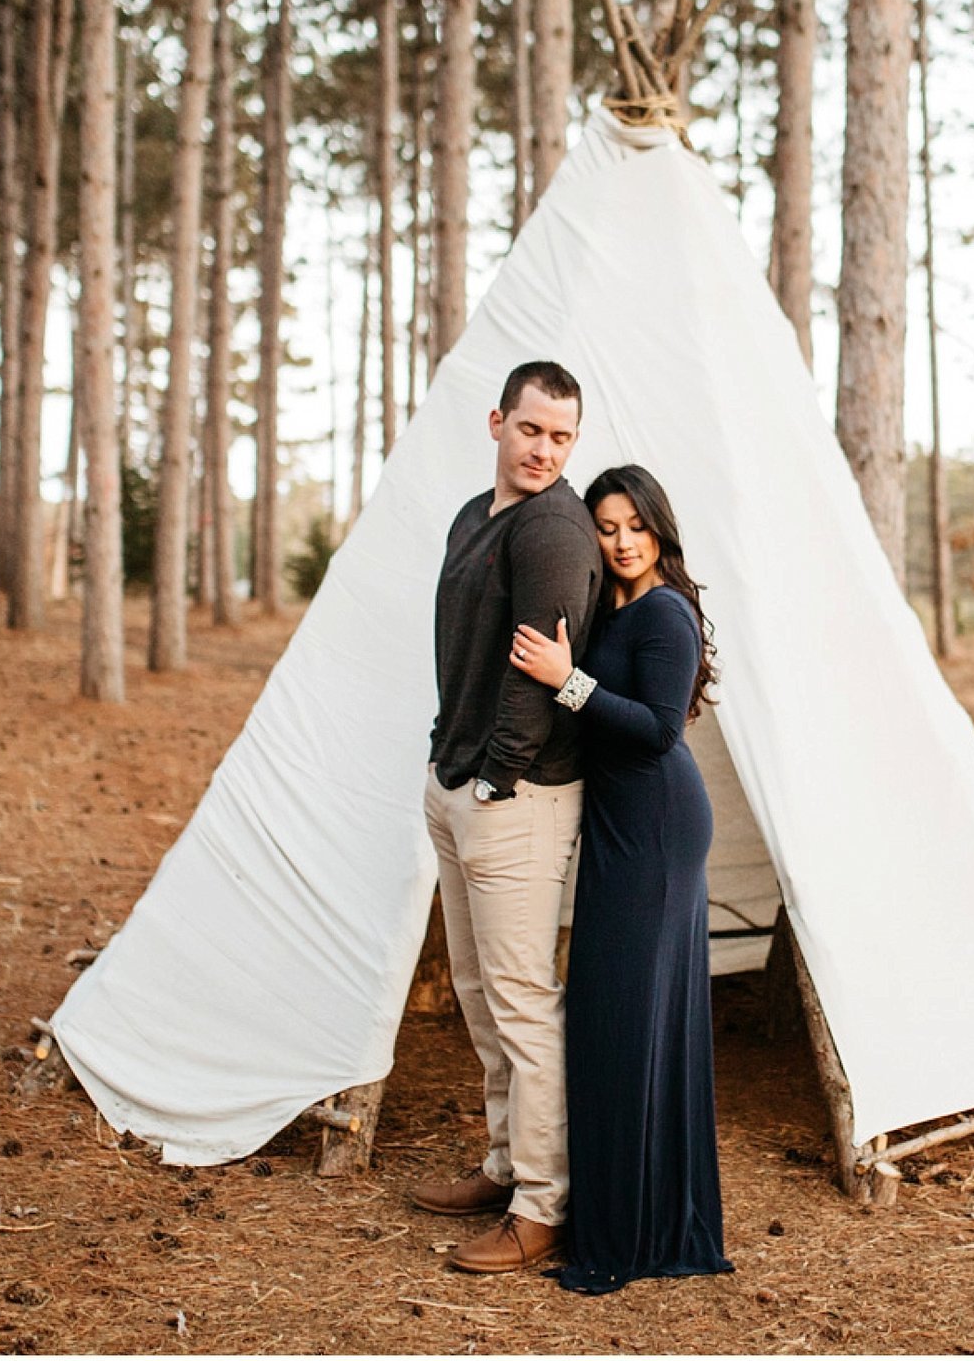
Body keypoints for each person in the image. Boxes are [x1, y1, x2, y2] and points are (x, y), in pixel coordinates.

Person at [510, 463, 735, 1296]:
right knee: (609, 1013)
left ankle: (637, 1228)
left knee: (629, 1015)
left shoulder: (667, 612)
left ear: (658, 529)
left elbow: (654, 730)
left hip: (658, 826)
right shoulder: (615, 606)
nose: (621, 540)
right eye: (607, 527)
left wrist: (564, 680)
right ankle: (613, 1204)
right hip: (615, 824)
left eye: (634, 524)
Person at [408, 360, 606, 1275]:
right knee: (480, 993)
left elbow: (541, 678)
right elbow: (467, 652)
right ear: (498, 422)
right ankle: (503, 1162)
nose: (544, 450)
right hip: (458, 782)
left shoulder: (557, 534)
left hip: (516, 798)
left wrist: (493, 778)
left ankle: (542, 1204)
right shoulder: (470, 517)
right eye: (531, 429)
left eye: (562, 436)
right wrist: (450, 757)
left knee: (522, 1000)